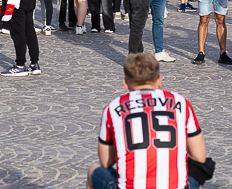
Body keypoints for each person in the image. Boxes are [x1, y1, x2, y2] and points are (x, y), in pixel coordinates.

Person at [87, 53, 210, 189]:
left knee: (94, 169)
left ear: (126, 84)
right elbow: (199, 156)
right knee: (196, 174)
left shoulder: (113, 108)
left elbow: (105, 161)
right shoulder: (181, 102)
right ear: (159, 81)